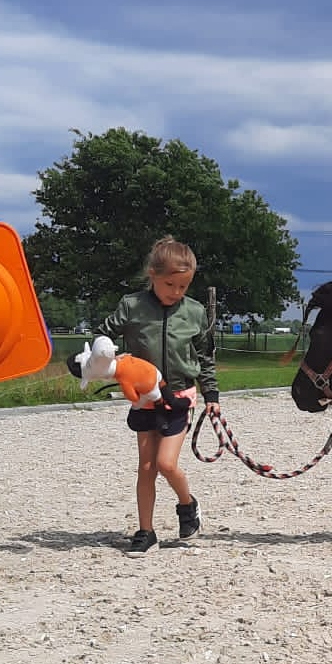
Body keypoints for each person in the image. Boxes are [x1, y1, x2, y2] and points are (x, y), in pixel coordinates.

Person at [95, 237, 220, 554]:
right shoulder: (132, 306)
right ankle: (146, 531)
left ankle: (187, 505)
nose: (176, 292)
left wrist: (212, 395)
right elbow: (103, 335)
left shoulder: (195, 312)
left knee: (166, 463)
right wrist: (101, 357)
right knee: (147, 467)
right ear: (153, 274)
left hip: (179, 398)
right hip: (144, 397)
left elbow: (205, 357)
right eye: (170, 285)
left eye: (183, 286)